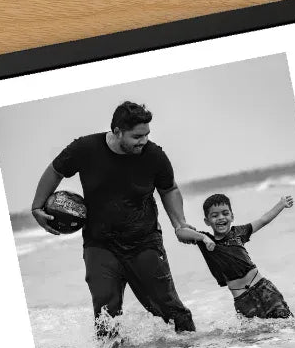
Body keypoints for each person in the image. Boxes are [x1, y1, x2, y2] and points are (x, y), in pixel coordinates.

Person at [31, 101, 196, 335]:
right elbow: (56, 170)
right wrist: (37, 206)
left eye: (147, 134)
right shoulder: (85, 148)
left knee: (168, 308)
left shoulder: (154, 156)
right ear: (118, 131)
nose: (144, 141)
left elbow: (169, 189)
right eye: (137, 136)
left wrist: (179, 224)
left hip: (144, 242)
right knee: (105, 314)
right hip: (100, 244)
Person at [177, 192, 294, 319]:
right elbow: (180, 232)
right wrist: (203, 237)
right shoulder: (205, 241)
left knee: (286, 323)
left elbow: (263, 220)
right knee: (257, 331)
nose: (221, 218)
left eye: (225, 213)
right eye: (215, 215)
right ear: (207, 221)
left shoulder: (238, 232)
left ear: (232, 217)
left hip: (265, 289)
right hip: (243, 299)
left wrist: (281, 204)